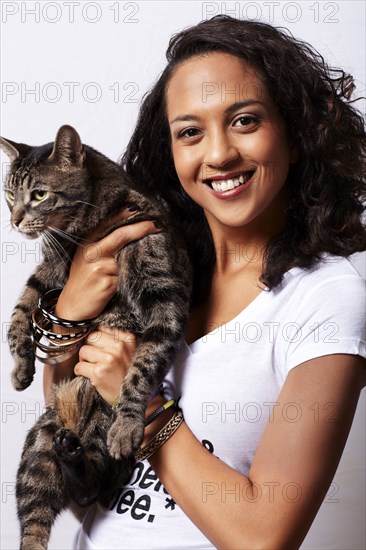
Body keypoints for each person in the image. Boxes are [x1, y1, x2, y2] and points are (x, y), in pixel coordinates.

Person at [43, 15, 366, 549]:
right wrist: (66, 323)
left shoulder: (326, 297)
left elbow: (264, 538)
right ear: (170, 152)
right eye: (189, 131)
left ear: (296, 132)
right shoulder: (150, 268)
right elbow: (86, 490)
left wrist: (143, 406)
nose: (218, 154)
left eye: (244, 121)